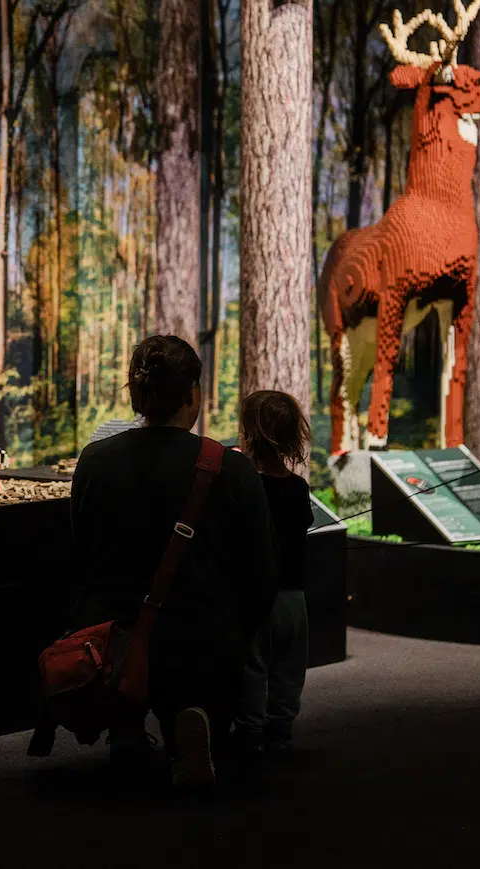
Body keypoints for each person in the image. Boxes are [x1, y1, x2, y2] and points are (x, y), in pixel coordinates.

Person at [70, 335, 276, 788]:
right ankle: (192, 714)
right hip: (202, 637)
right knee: (199, 662)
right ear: (192, 394)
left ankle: (125, 724)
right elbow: (260, 573)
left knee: (127, 640)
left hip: (114, 641)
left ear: (136, 396)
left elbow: (82, 554)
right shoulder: (231, 468)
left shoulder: (95, 461)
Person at [235, 389, 313, 758]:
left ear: (248, 432)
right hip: (293, 598)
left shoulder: (243, 484)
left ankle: (249, 736)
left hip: (255, 596)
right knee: (288, 669)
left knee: (253, 668)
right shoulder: (297, 488)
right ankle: (281, 734)